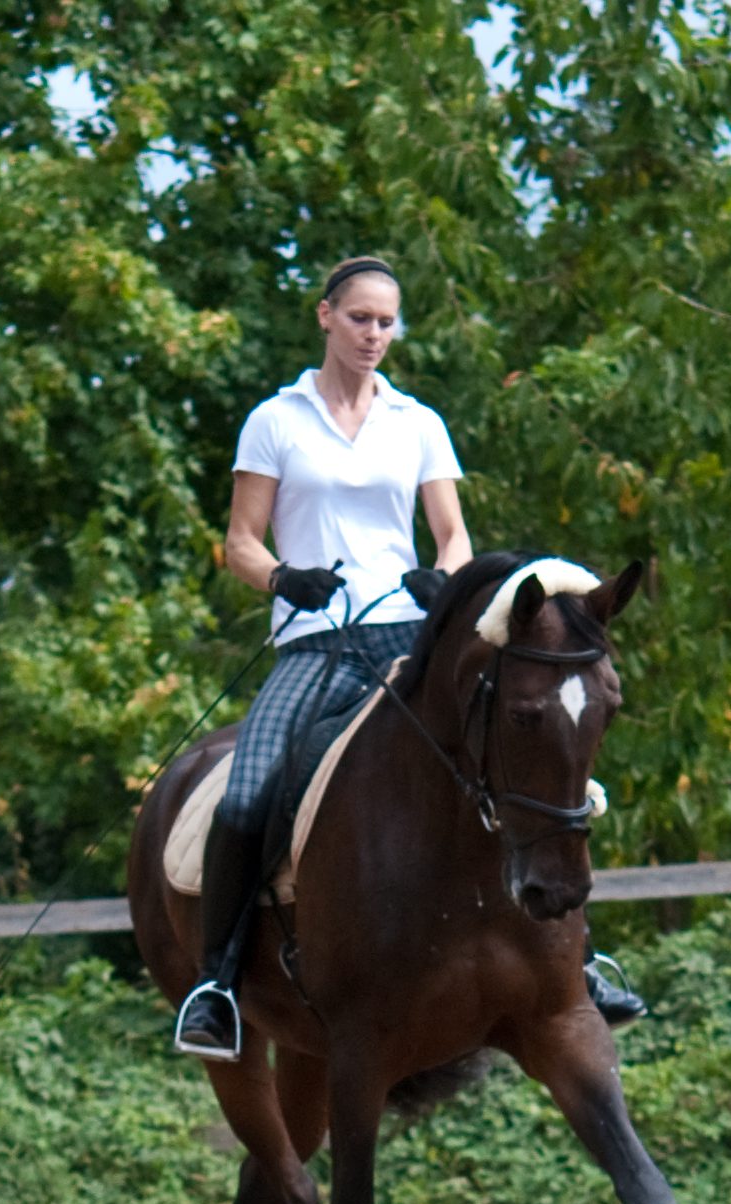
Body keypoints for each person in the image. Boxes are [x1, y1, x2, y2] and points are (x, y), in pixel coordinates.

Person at [175, 255, 644, 1059]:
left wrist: (448, 583)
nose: (374, 335)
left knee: (530, 762)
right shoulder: (275, 421)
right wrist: (286, 576)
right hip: (313, 640)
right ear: (325, 317)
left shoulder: (417, 422)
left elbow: (452, 531)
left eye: (387, 322)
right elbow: (240, 542)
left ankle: (578, 960)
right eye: (360, 318)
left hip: (408, 634)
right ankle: (216, 985)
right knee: (248, 795)